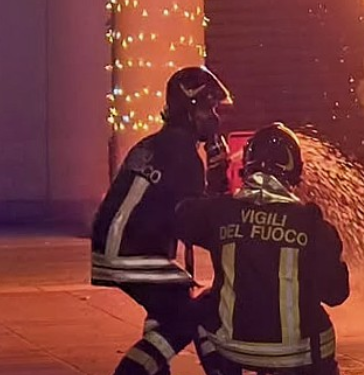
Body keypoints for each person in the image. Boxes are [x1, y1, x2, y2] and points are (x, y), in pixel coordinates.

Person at [91, 65, 234, 375]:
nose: (215, 118)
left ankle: (156, 369)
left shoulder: (158, 143)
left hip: (118, 245)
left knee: (172, 307)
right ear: (189, 109)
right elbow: (197, 223)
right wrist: (219, 178)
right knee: (192, 315)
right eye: (209, 108)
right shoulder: (182, 153)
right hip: (132, 251)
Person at [178, 123, 350, 375]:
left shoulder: (221, 212)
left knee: (201, 304)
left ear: (247, 165)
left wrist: (215, 179)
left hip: (234, 349)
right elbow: (336, 294)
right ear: (296, 171)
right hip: (303, 357)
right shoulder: (312, 225)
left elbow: (183, 217)